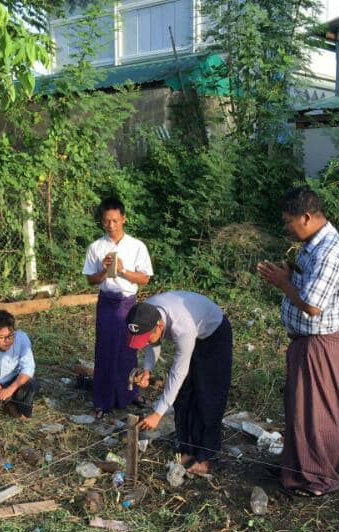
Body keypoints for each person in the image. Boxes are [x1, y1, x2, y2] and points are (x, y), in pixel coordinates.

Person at [257, 186, 339, 497]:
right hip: (306, 340)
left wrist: (283, 283)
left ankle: (321, 478)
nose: (287, 227)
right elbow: (309, 288)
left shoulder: (328, 252)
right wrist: (288, 277)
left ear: (307, 217)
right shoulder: (313, 243)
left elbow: (312, 305)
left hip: (320, 343)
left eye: (289, 221)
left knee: (317, 411)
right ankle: (297, 467)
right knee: (299, 407)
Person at [126, 291, 232, 475]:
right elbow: (152, 342)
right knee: (183, 395)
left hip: (214, 334)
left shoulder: (182, 327)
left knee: (208, 396)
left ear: (159, 326)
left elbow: (178, 372)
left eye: (147, 337)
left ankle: (205, 455)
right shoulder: (146, 312)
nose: (146, 341)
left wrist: (158, 412)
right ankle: (186, 447)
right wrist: (147, 369)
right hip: (193, 330)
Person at [82, 197, 153, 419]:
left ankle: (130, 393)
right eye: (106, 221)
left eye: (115, 220)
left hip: (128, 302)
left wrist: (122, 270)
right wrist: (104, 271)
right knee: (105, 350)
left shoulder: (136, 246)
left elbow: (144, 278)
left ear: (123, 219)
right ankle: (103, 400)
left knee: (129, 349)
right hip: (107, 300)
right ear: (102, 222)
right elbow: (91, 281)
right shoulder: (96, 247)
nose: (111, 225)